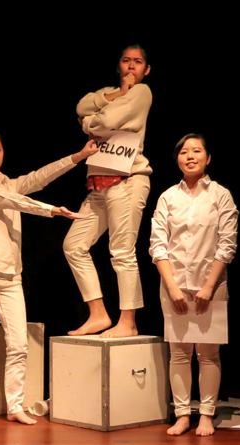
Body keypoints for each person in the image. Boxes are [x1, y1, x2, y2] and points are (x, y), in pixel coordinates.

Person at [0, 132, 98, 426]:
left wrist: (79, 156)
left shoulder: (7, 181)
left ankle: (15, 405)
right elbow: (12, 200)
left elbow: (39, 177)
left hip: (11, 276)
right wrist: (50, 210)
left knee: (19, 345)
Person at [150, 134, 237, 436]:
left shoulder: (220, 195)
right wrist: (173, 287)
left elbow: (227, 244)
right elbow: (158, 245)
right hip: (173, 286)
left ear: (208, 158)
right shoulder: (167, 197)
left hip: (210, 285)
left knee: (208, 354)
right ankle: (182, 414)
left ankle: (207, 415)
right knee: (179, 354)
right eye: (184, 152)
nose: (190, 156)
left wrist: (208, 287)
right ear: (177, 159)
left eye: (197, 151)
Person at [65, 45, 153, 338]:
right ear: (118, 65)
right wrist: (113, 96)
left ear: (146, 69)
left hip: (128, 179)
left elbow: (106, 121)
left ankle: (128, 321)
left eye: (137, 62)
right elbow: (80, 106)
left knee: (122, 251)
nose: (131, 67)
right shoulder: (110, 93)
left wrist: (90, 124)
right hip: (99, 182)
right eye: (126, 61)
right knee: (74, 245)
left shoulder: (142, 93)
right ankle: (99, 313)